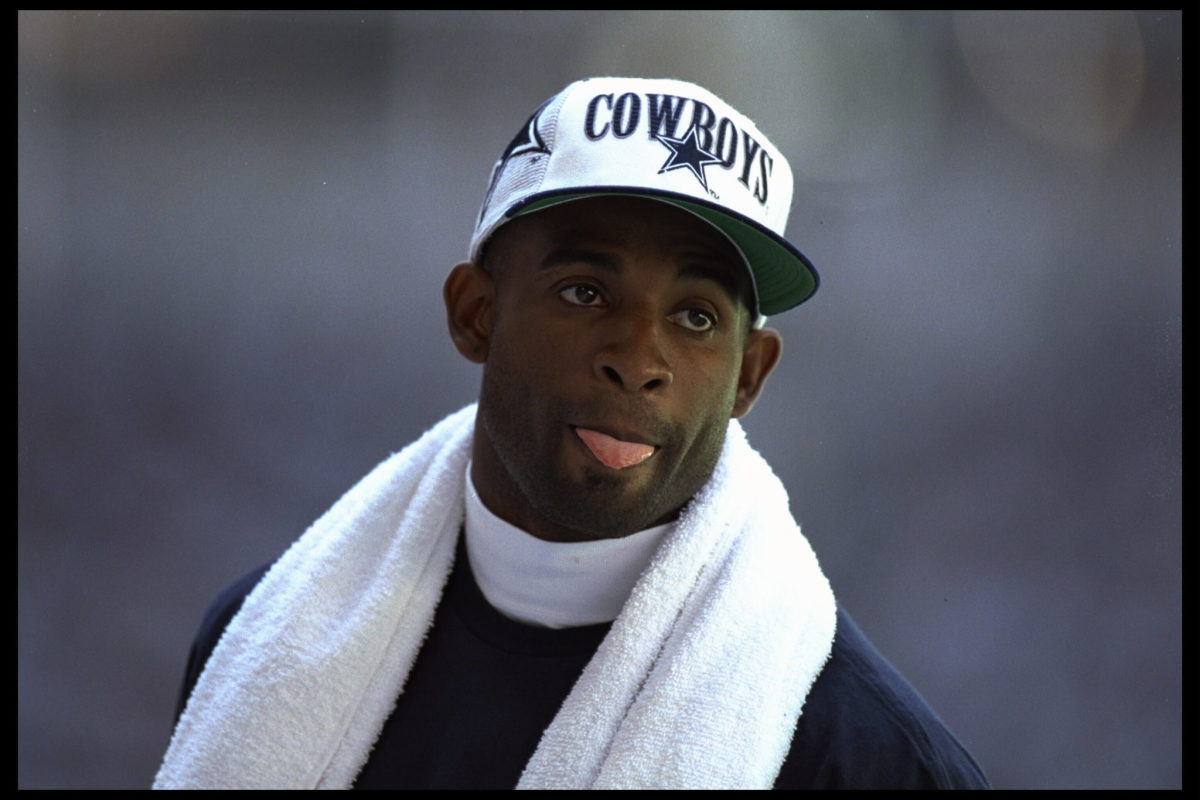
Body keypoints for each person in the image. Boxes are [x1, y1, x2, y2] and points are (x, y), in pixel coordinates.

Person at [153, 77, 990, 790]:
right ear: (477, 315)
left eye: (696, 316)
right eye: (586, 291)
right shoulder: (257, 644)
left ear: (748, 376)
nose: (639, 359)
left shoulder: (870, 758)